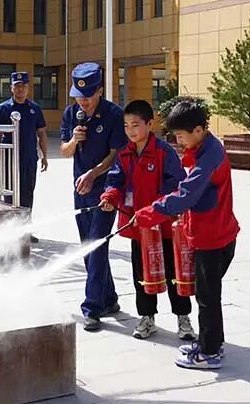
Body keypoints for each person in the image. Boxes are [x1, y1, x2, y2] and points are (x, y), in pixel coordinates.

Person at [134, 101, 240, 370]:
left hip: (214, 238)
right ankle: (210, 342)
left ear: (198, 130)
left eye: (181, 136)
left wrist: (151, 212)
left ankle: (209, 353)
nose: (178, 142)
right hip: (211, 232)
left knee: (207, 297)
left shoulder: (210, 156)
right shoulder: (204, 148)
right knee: (207, 294)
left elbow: (186, 195)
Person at [99, 100, 196, 341]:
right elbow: (115, 181)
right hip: (138, 228)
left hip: (164, 227)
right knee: (141, 275)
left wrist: (157, 210)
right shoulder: (124, 154)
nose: (130, 131)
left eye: (135, 125)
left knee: (174, 274)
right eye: (126, 126)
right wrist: (110, 197)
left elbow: (176, 185)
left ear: (150, 124)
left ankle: (183, 319)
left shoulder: (164, 153)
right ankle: (147, 318)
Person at [60, 62, 127, 332]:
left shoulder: (114, 115)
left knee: (97, 245)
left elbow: (116, 155)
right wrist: (74, 140)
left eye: (88, 96)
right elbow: (64, 151)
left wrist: (93, 174)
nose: (83, 102)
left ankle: (92, 308)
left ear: (99, 90)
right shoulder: (71, 114)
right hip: (81, 189)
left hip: (106, 190)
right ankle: (109, 299)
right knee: (88, 246)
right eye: (79, 97)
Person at [0, 72, 48, 228]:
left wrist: (44, 156)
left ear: (28, 88)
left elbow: (41, 133)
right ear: (11, 88)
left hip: (29, 159)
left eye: (23, 86)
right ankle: (9, 229)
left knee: (27, 195)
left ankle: (25, 230)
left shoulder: (34, 109)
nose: (20, 89)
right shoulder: (3, 108)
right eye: (17, 86)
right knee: (9, 194)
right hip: (9, 159)